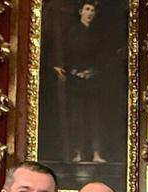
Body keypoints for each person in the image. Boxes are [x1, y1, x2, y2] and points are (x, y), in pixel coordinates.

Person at [59, 2, 105, 163]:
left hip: (93, 81)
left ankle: (96, 153)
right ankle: (77, 153)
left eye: (93, 10)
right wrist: (75, 71)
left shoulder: (98, 34)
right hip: (76, 81)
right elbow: (66, 56)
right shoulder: (72, 33)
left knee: (95, 117)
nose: (90, 13)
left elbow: (102, 58)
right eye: (87, 9)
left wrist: (92, 72)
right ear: (80, 12)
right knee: (77, 117)